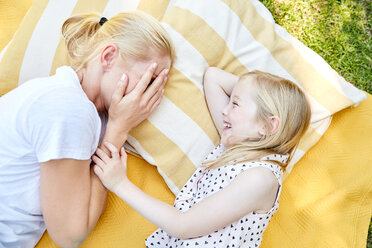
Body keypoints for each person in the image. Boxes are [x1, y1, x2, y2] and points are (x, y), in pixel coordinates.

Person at [0, 11, 174, 248]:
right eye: (149, 79)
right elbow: (70, 235)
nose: (150, 94)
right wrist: (118, 128)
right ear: (109, 57)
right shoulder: (69, 109)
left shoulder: (69, 100)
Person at [93, 67, 311, 247]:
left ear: (269, 124)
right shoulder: (234, 146)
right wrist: (255, 94)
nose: (225, 110)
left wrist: (120, 184)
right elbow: (213, 78)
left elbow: (183, 225)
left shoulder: (261, 179)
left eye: (235, 104)